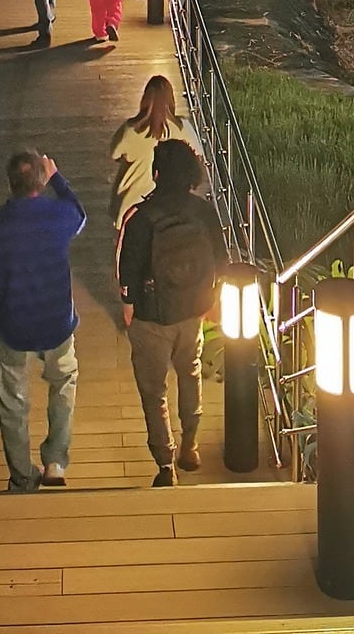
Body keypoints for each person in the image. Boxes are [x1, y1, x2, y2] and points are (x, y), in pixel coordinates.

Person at [0, 148, 86, 491]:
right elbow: (80, 215)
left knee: (12, 402)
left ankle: (22, 474)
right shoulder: (58, 215)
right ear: (40, 179)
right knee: (63, 383)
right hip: (57, 322)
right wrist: (58, 178)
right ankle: (56, 462)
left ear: (10, 183)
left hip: (13, 326)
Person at [118, 139, 226, 486]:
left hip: (152, 315)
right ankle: (190, 444)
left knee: (153, 391)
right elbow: (222, 260)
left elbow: (127, 270)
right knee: (189, 373)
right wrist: (211, 297)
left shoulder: (142, 216)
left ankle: (165, 463)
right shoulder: (203, 210)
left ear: (157, 172)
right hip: (193, 310)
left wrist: (129, 304)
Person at [109, 75, 204, 227]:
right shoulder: (182, 127)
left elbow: (114, 154)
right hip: (169, 206)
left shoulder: (131, 129)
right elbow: (198, 153)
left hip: (130, 207)